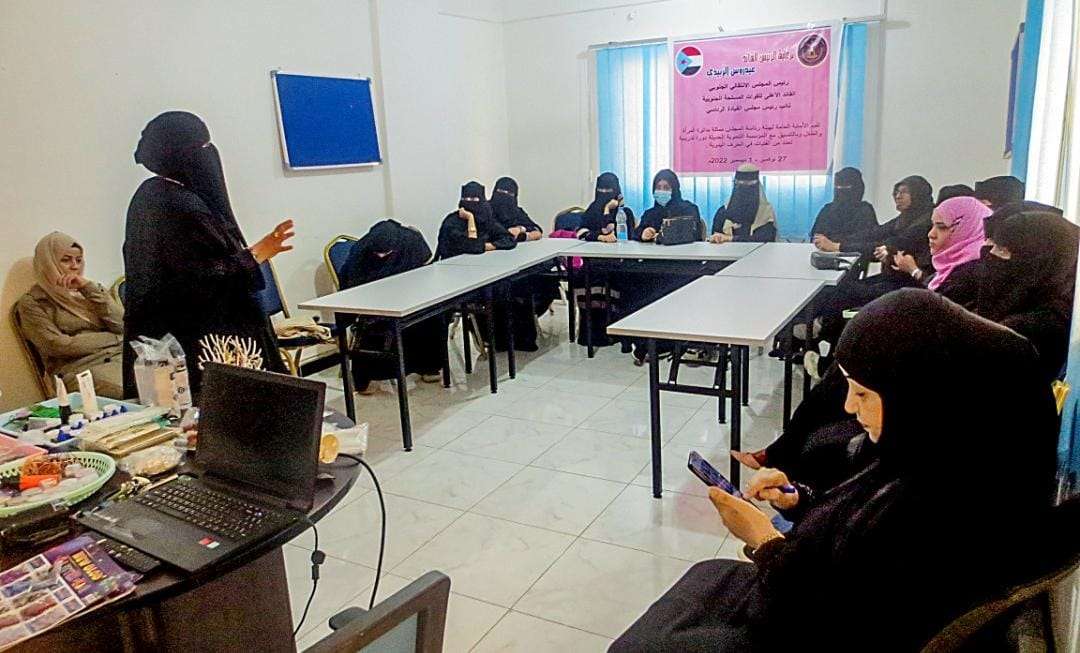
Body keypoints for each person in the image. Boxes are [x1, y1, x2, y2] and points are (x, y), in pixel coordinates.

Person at [612, 290, 1057, 652]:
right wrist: (799, 498)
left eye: (863, 394)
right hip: (799, 601)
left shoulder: (948, 506)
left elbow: (828, 619)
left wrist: (763, 540)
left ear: (921, 395)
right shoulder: (934, 450)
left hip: (802, 632)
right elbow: (854, 533)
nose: (847, 406)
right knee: (706, 576)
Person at [122, 112, 292, 396]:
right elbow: (198, 279)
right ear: (182, 153)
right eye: (203, 147)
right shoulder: (176, 206)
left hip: (178, 338)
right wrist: (254, 255)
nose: (210, 154)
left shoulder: (153, 195)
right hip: (196, 345)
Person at [340, 220, 446, 393]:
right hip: (374, 302)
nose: (381, 257)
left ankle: (428, 367)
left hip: (411, 296)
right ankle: (369, 377)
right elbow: (351, 284)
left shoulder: (411, 241)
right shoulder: (361, 250)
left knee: (433, 315)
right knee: (375, 325)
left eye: (386, 253)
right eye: (377, 253)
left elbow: (426, 272)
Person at [17, 232, 125, 398]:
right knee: (132, 388)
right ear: (48, 263)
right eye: (66, 260)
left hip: (120, 357)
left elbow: (123, 325)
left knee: (161, 376)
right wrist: (116, 338)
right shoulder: (33, 303)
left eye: (79, 260)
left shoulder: (90, 291)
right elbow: (58, 345)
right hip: (80, 369)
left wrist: (89, 289)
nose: (75, 266)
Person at [978, 209, 1079, 382]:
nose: (990, 255)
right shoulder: (1046, 308)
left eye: (1003, 250)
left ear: (1036, 261)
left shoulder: (1033, 329)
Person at [628, 169, 704, 364]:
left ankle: (666, 343)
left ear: (674, 189)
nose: (661, 191)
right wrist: (643, 233)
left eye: (666, 187)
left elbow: (693, 235)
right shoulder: (650, 213)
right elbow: (636, 233)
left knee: (667, 290)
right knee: (633, 284)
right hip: (654, 266)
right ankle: (644, 340)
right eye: (658, 187)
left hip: (681, 267)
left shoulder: (689, 209)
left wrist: (665, 235)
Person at [890, 196, 992, 303]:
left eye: (942, 227)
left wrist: (914, 271)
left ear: (966, 229)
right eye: (933, 225)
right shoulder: (951, 264)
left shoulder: (971, 275)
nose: (931, 234)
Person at [436, 181, 516, 259]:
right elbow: (472, 247)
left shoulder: (486, 220)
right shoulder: (451, 222)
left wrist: (487, 246)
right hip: (453, 265)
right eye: (466, 199)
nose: (470, 202)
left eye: (475, 199)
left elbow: (509, 239)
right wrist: (470, 219)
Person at [808, 167, 877, 247]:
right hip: (824, 253)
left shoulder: (865, 211)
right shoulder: (827, 210)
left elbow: (868, 241)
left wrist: (835, 245)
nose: (840, 190)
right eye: (837, 186)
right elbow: (816, 238)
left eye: (847, 186)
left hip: (856, 254)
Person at [710, 164, 777, 243]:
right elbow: (715, 237)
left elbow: (765, 239)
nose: (745, 189)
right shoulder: (723, 212)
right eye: (741, 184)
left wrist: (730, 238)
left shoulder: (766, 212)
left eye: (750, 184)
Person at [577, 172, 635, 242]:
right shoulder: (593, 209)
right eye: (601, 190)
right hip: (594, 248)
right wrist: (600, 237)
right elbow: (581, 232)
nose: (604, 193)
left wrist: (607, 209)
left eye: (608, 190)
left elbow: (611, 232)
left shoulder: (625, 213)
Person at [489, 176, 542, 242]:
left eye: (510, 193)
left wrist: (520, 229)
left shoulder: (517, 212)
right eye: (502, 191)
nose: (505, 196)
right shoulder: (485, 209)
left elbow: (537, 229)